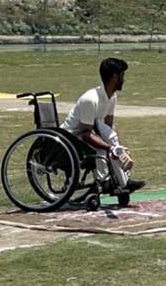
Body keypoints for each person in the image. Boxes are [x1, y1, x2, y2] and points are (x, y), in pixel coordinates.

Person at [60, 57, 144, 194]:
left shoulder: (112, 97)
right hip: (72, 137)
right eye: (122, 76)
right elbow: (85, 133)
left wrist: (117, 146)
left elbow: (109, 126)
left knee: (111, 144)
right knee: (101, 149)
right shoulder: (90, 99)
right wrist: (110, 147)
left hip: (89, 132)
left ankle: (124, 182)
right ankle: (104, 181)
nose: (124, 79)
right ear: (114, 77)